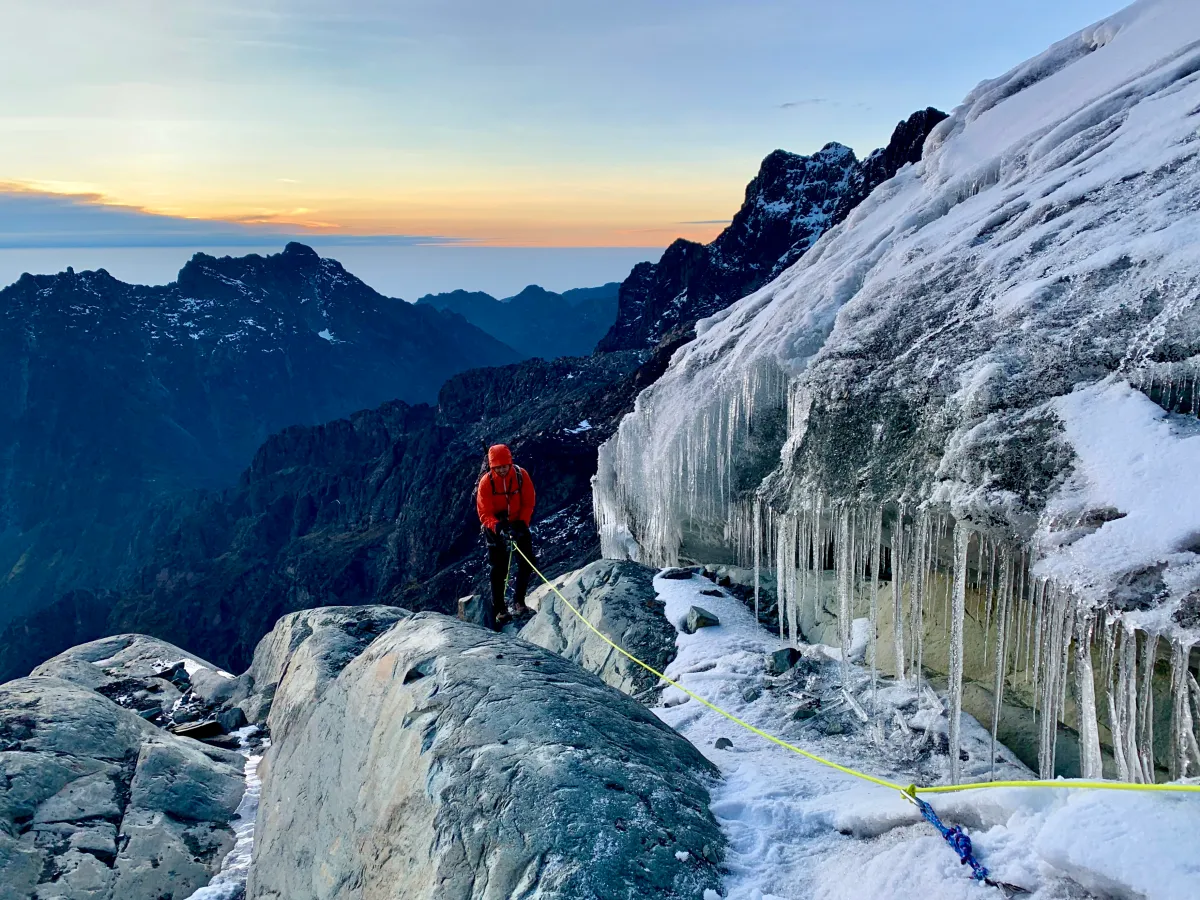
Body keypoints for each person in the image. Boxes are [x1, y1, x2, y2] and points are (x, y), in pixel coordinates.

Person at [475, 443, 537, 630]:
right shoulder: (486, 482)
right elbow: (484, 512)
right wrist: (497, 527)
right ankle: (500, 609)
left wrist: (522, 523)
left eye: (505, 466)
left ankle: (519, 601)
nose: (502, 470)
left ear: (510, 463)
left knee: (526, 562)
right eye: (498, 467)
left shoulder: (521, 476)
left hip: (517, 522)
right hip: (494, 526)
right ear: (492, 467)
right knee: (498, 568)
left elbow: (529, 502)